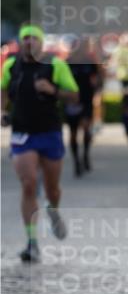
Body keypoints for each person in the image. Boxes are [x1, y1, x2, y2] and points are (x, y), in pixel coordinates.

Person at [1, 23, 79, 262]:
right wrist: (3, 111)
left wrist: (52, 90)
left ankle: (53, 209)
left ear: (41, 42)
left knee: (52, 188)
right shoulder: (11, 65)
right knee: (28, 184)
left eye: (33, 38)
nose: (29, 42)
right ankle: (32, 242)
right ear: (21, 42)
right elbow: (2, 90)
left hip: (49, 132)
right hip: (22, 134)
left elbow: (74, 95)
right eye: (25, 38)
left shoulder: (55, 65)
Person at [63, 36, 100, 176]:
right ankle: (76, 162)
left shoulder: (90, 62)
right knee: (73, 133)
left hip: (86, 100)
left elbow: (97, 78)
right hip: (71, 102)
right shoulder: (67, 63)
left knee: (86, 128)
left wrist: (96, 89)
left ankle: (85, 155)